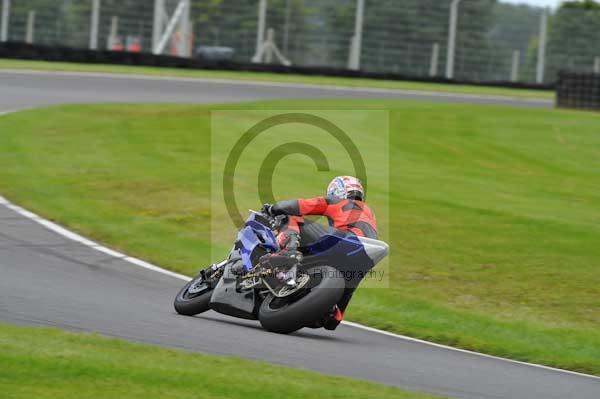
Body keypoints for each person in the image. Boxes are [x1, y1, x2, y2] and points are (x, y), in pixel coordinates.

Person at [261, 176, 378, 330]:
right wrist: (338, 314)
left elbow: (298, 206)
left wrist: (272, 209)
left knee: (291, 217)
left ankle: (288, 251)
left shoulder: (336, 201)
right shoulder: (370, 215)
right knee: (351, 278)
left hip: (343, 240)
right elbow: (351, 286)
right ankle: (333, 313)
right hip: (366, 253)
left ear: (337, 191)